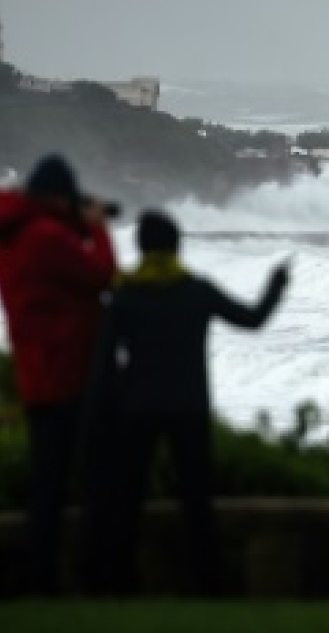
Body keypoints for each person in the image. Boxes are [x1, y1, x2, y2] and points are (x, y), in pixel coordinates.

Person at [93, 209, 290, 595]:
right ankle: (208, 583)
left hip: (137, 409)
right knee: (197, 500)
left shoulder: (123, 296)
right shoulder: (196, 291)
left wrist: (101, 415)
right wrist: (276, 284)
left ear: (140, 246)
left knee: (129, 499)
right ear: (177, 246)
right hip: (189, 407)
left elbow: (103, 366)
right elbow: (252, 319)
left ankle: (120, 582)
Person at [0, 153, 119, 595]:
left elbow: (56, 279)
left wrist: (72, 222)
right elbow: (102, 274)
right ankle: (93, 577)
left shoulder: (8, 237)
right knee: (95, 479)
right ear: (56, 198)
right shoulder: (45, 236)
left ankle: (41, 578)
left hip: (36, 373)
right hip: (72, 372)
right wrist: (97, 228)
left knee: (47, 483)